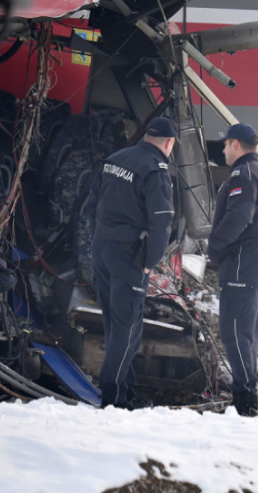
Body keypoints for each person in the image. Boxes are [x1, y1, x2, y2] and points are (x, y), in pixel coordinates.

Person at [86, 116, 177, 409]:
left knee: (117, 323)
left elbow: (90, 205)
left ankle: (126, 391)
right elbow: (162, 222)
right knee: (127, 330)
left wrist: (99, 239)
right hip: (129, 256)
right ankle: (113, 398)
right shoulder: (156, 170)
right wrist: (151, 261)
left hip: (102, 248)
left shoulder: (115, 158)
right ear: (169, 143)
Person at [207, 123, 258, 416]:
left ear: (235, 144)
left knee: (233, 330)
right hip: (257, 257)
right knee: (245, 330)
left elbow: (239, 216)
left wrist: (215, 249)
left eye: (224, 144)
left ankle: (244, 398)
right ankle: (246, 394)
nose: (222, 149)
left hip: (242, 258)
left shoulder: (242, 174)